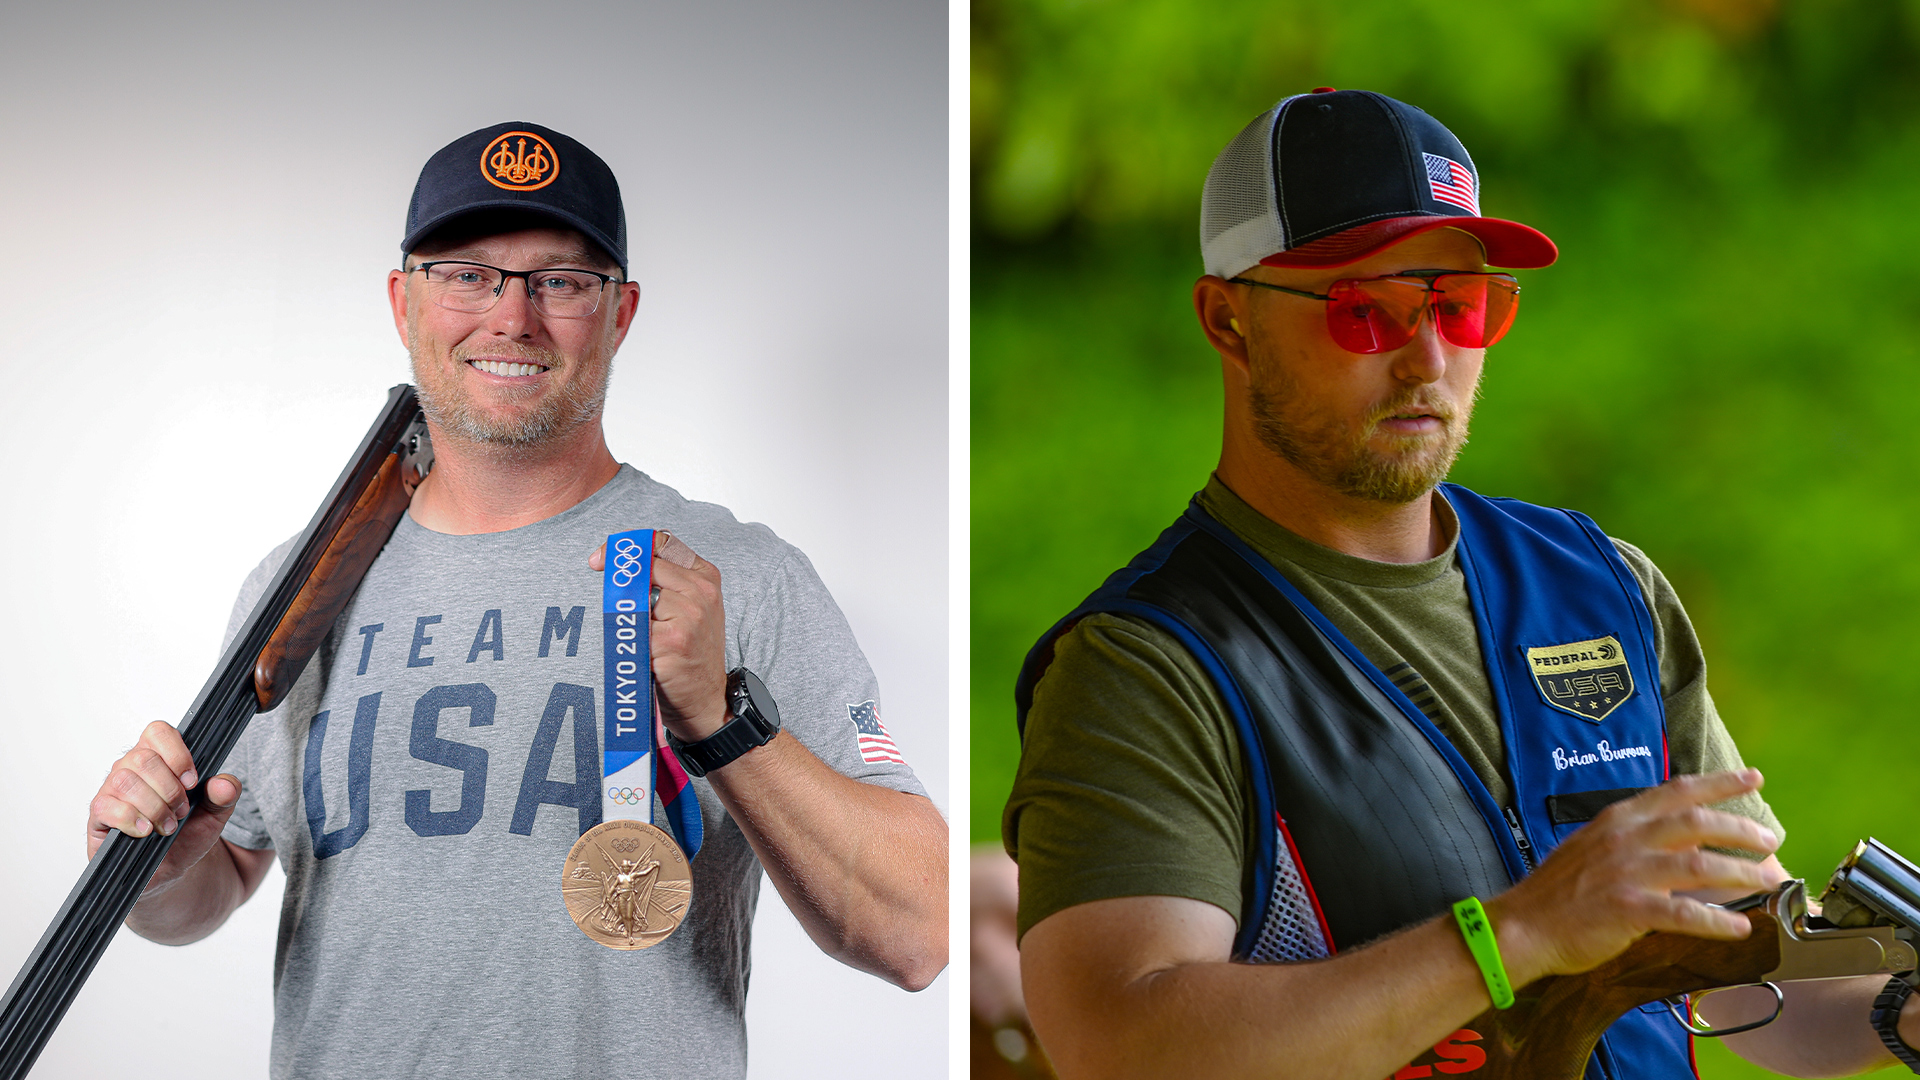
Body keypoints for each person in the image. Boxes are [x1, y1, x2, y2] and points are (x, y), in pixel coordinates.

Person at [1003, 88, 1920, 1079]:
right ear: (1228, 320)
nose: (1428, 358)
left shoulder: (1604, 585)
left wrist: (1902, 1007)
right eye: (1368, 311)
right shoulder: (1142, 666)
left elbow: (1752, 969)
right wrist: (1514, 936)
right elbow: (1123, 1044)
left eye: (1461, 305)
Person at [84, 121, 946, 1079]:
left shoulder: (736, 574)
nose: (512, 319)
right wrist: (155, 873)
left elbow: (918, 933)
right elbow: (222, 876)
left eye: (561, 281)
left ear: (619, 315)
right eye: (467, 274)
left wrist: (722, 721)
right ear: (402, 301)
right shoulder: (295, 593)